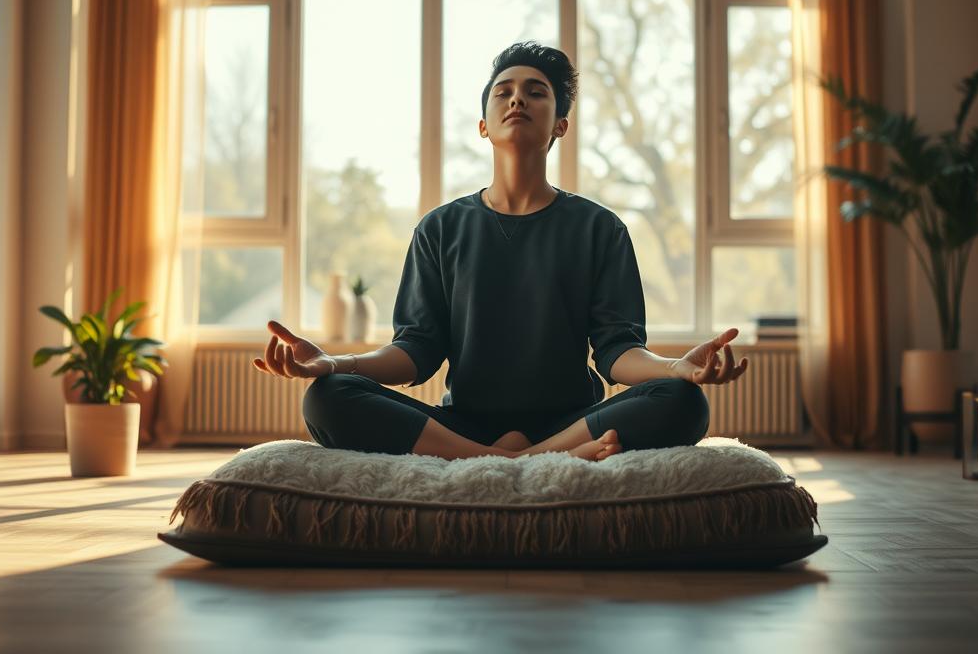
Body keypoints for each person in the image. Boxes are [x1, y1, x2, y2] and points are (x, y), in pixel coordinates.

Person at [253, 41, 748, 461]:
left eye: (536, 93)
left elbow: (618, 353)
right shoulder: (440, 228)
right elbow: (416, 352)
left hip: (573, 421)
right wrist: (335, 364)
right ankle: (514, 461)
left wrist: (676, 368)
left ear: (560, 125)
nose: (518, 101)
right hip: (464, 425)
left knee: (684, 402)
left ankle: (533, 454)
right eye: (503, 93)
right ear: (484, 125)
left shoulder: (600, 228)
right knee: (327, 398)